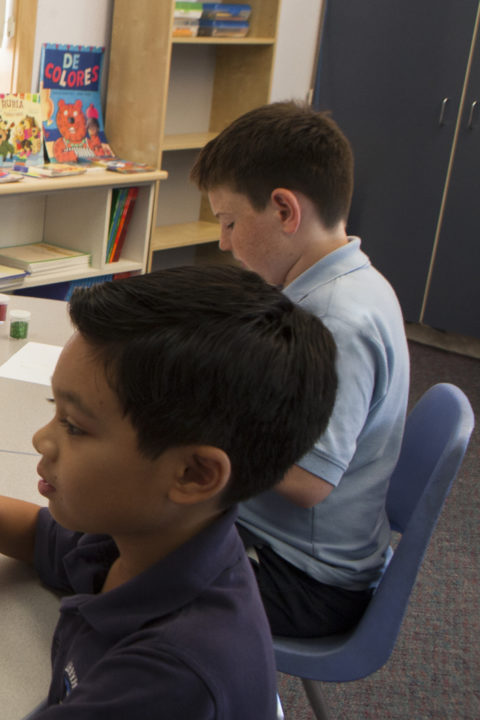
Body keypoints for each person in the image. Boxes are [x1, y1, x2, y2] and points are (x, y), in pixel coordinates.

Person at [0, 266, 339, 718]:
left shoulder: (170, 676)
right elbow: (43, 540)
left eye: (74, 426)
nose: (42, 438)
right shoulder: (152, 535)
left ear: (194, 475)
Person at [192, 101, 411, 638]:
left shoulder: (336, 321)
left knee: (122, 561)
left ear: (285, 211)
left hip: (305, 580)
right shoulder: (346, 282)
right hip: (291, 550)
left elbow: (308, 480)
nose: (223, 241)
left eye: (229, 221)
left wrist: (199, 421)